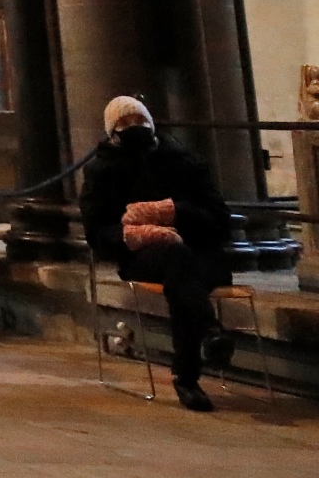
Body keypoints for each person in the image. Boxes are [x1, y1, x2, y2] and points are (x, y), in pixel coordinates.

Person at [80, 95, 237, 411]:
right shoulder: (102, 171)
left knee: (183, 274)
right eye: (124, 124)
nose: (133, 127)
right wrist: (136, 233)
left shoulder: (185, 162)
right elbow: (98, 231)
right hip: (145, 256)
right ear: (112, 131)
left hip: (200, 252)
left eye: (138, 120)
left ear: (150, 123)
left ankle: (188, 376)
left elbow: (219, 219)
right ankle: (206, 336)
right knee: (176, 263)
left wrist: (176, 212)